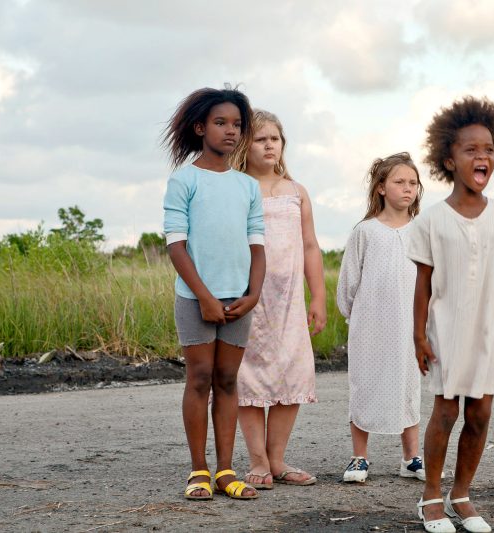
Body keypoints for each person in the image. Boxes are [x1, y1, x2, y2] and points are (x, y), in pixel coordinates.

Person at [408, 96, 494, 533]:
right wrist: (418, 335)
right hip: (445, 329)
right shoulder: (431, 221)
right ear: (449, 160)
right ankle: (431, 498)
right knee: (445, 413)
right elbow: (422, 283)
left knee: (479, 414)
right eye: (471, 150)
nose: (483, 157)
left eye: (489, 150)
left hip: (486, 332)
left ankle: (462, 493)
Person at [162, 86, 265, 501]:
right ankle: (199, 471)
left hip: (239, 299)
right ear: (201, 127)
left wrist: (253, 294)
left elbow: (257, 245)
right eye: (221, 123)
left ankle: (226, 470)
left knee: (227, 380)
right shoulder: (184, 180)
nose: (230, 131)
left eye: (237, 125)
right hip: (195, 299)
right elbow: (175, 244)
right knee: (200, 379)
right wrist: (203, 296)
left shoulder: (247, 186)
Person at [231, 110, 326, 489]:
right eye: (260, 139)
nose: (269, 145)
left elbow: (310, 246)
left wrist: (317, 296)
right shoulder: (237, 188)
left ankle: (278, 459)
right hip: (249, 298)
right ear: (244, 145)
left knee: (293, 371)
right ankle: (257, 462)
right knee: (248, 377)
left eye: (275, 138)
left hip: (290, 301)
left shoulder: (295, 191)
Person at [336, 152, 425, 484]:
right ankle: (359, 458)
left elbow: (431, 280)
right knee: (365, 384)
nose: (407, 189)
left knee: (408, 385)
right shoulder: (365, 231)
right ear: (381, 188)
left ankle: (411, 458)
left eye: (413, 183)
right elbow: (348, 282)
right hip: (370, 325)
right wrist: (355, 317)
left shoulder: (422, 231)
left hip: (410, 328)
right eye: (399, 182)